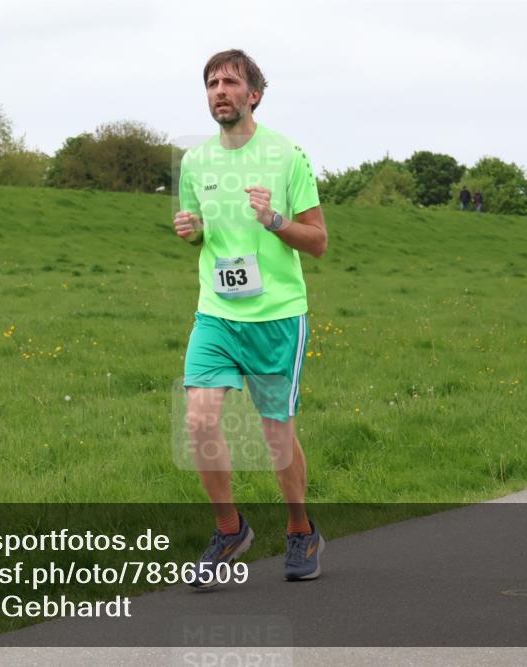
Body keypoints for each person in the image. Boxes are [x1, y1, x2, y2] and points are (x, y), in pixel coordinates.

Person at [173, 49, 327, 588]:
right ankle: (229, 529)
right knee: (197, 419)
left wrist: (274, 220)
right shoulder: (194, 163)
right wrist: (190, 231)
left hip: (277, 316)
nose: (219, 89)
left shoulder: (287, 155)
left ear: (253, 94)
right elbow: (203, 235)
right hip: (216, 313)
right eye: (211, 82)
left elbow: (319, 242)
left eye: (230, 81)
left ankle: (301, 530)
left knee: (275, 435)